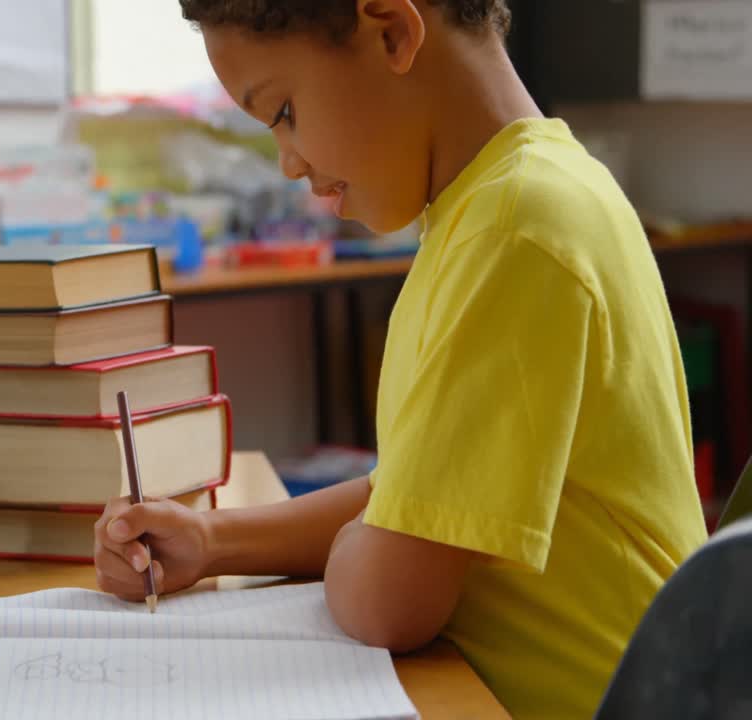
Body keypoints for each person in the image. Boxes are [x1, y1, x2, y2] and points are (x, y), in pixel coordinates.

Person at [92, 2, 709, 717]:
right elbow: (419, 500)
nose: (289, 161)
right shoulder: (503, 203)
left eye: (285, 111)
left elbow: (392, 596)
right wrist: (211, 540)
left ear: (392, 31)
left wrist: (375, 540)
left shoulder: (515, 230)